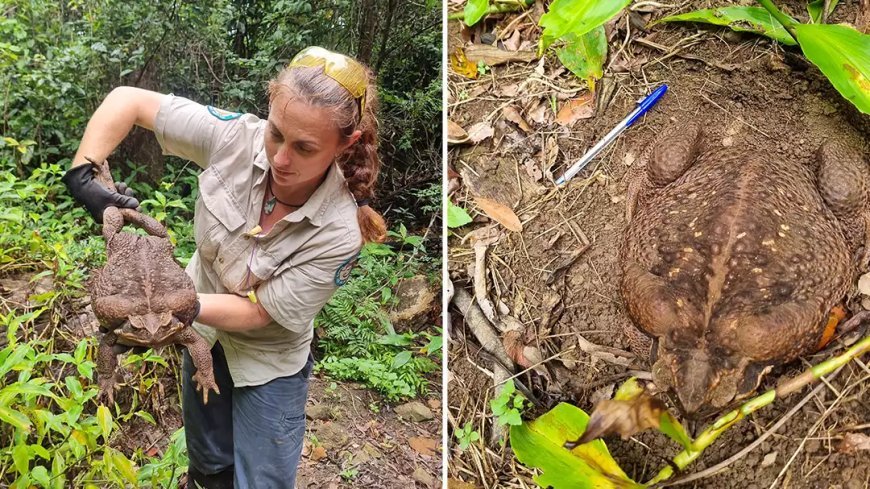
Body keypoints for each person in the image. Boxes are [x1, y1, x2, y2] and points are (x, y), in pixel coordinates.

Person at [63, 46, 386, 488]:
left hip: (267, 358)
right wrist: (83, 175)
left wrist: (169, 309)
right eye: (276, 133)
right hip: (202, 340)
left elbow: (258, 312)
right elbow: (128, 101)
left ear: (344, 143)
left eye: (304, 147)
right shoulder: (234, 138)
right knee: (210, 463)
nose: (280, 158)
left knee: (263, 480)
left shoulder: (339, 232)